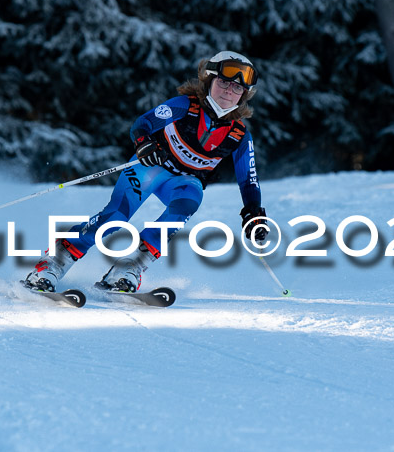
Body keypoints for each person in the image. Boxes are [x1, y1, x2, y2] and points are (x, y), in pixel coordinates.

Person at [23, 50, 268, 293]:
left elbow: (249, 180)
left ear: (244, 95)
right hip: (150, 168)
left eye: (237, 88)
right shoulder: (185, 106)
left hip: (183, 182)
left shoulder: (239, 135)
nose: (228, 91)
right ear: (208, 81)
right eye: (224, 82)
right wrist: (144, 142)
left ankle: (130, 267)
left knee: (188, 202)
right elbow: (143, 124)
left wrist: (254, 212)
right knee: (116, 217)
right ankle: (54, 262)